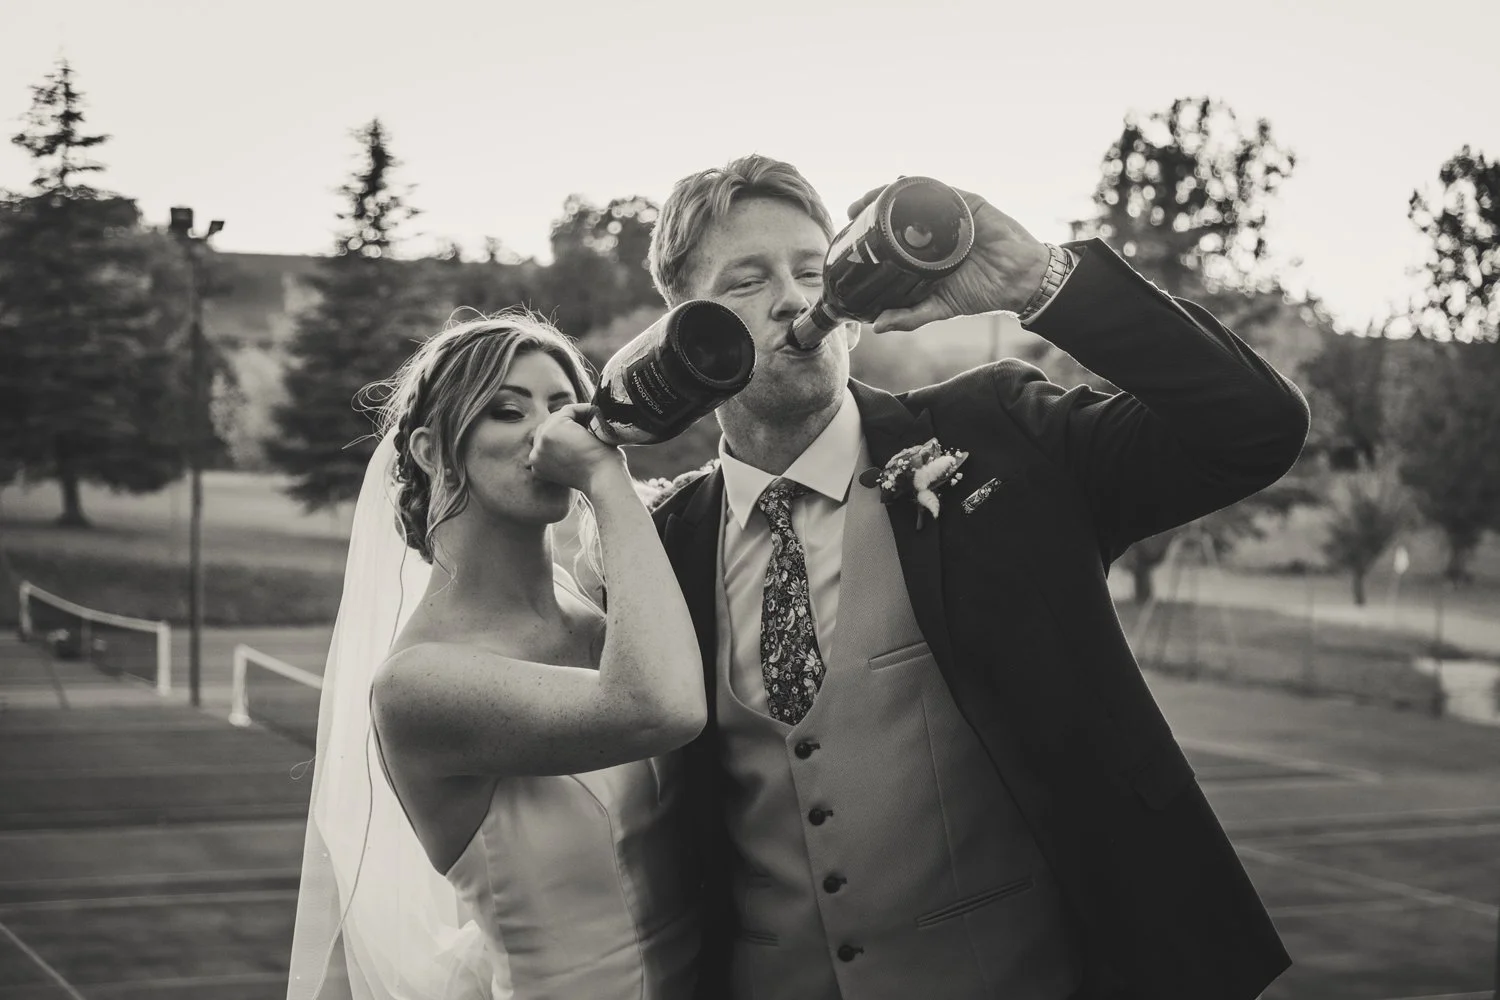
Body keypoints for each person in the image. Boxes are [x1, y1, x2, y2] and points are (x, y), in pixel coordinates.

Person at [645, 155, 1310, 1000]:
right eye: (747, 281)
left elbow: (1254, 429)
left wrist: (1041, 279)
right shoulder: (665, 542)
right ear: (687, 327)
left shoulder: (996, 433)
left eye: (811, 271)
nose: (792, 299)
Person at [285, 310, 707, 1000]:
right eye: (507, 411)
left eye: (563, 409)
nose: (547, 433)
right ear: (429, 449)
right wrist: (607, 480)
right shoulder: (419, 684)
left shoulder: (600, 615)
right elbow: (660, 707)